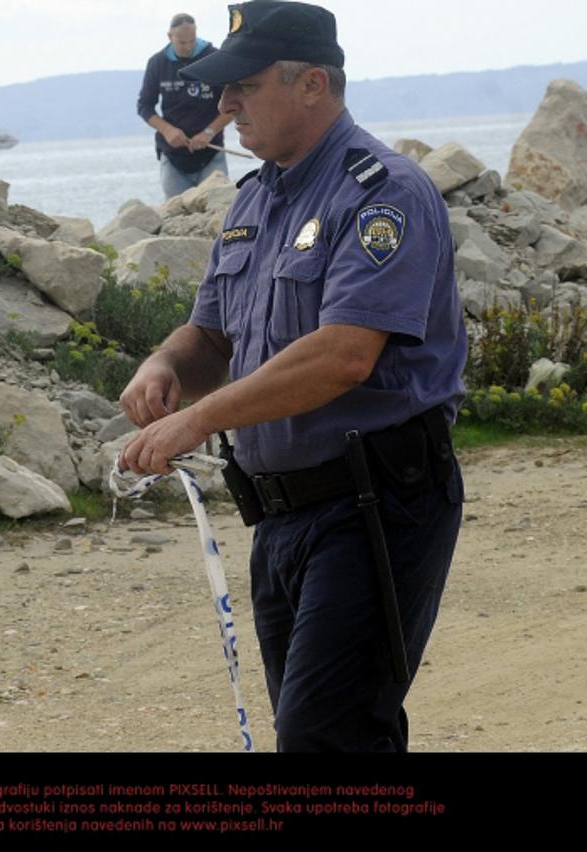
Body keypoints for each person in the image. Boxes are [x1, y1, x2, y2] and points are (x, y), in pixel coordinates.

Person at [118, 0, 467, 752]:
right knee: (314, 732)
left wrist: (202, 420)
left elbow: (344, 353)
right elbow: (211, 335)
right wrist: (165, 365)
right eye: (222, 88)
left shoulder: (381, 193)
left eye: (242, 85)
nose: (224, 104)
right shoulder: (256, 198)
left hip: (373, 500)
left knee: (326, 737)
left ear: (313, 84)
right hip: (281, 514)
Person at [137, 13, 235, 199]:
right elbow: (144, 106)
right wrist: (167, 130)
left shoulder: (214, 58)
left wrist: (209, 132)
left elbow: (233, 105)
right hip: (173, 156)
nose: (188, 47)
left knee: (219, 207)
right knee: (175, 213)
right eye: (182, 42)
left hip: (211, 154)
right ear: (169, 37)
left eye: (192, 40)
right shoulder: (157, 63)